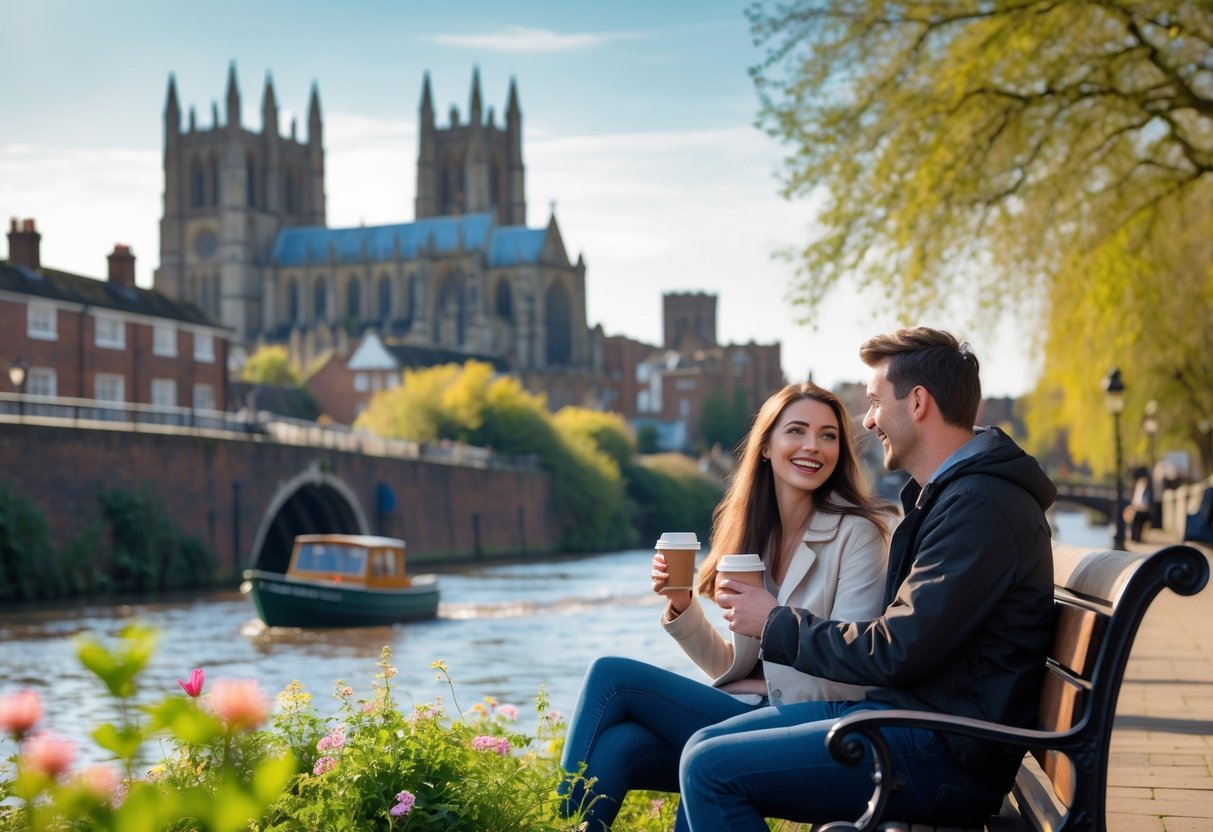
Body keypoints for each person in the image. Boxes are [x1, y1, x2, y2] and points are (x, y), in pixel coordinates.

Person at [677, 327, 1056, 830]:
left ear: (918, 402)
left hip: (943, 756)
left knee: (709, 768)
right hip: (918, 727)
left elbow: (897, 648)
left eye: (875, 402)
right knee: (705, 745)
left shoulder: (979, 506)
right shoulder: (956, 499)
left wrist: (776, 622)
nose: (868, 419)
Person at [559, 382, 892, 830]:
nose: (814, 446)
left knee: (611, 676)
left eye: (828, 435)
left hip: (815, 725)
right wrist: (682, 606)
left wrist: (773, 622)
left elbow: (851, 669)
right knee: (621, 746)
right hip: (755, 712)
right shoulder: (756, 537)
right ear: (767, 447)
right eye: (797, 431)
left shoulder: (858, 533)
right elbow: (737, 667)